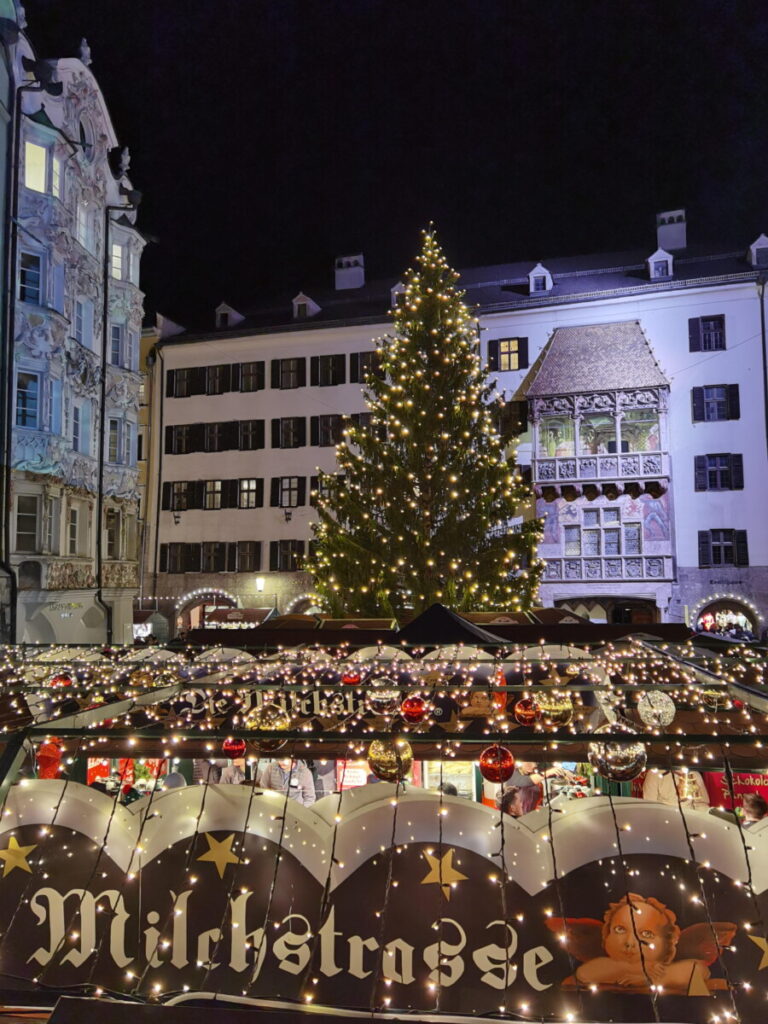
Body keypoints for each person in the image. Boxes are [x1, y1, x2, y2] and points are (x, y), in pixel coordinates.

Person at [642, 768, 710, 811]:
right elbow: (650, 806)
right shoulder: (654, 773)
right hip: (663, 820)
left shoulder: (694, 774)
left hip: (689, 820)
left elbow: (702, 804)